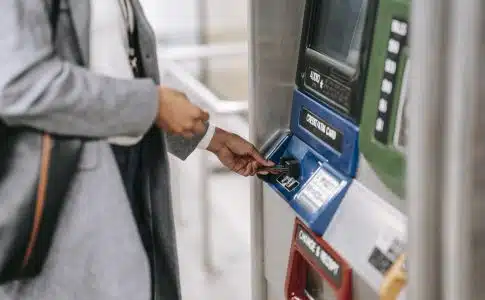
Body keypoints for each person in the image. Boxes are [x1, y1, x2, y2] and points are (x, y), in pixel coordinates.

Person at [0, 0, 273, 299]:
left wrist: (208, 137)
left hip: (130, 168)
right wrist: (154, 105)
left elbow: (118, 71)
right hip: (68, 196)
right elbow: (19, 85)